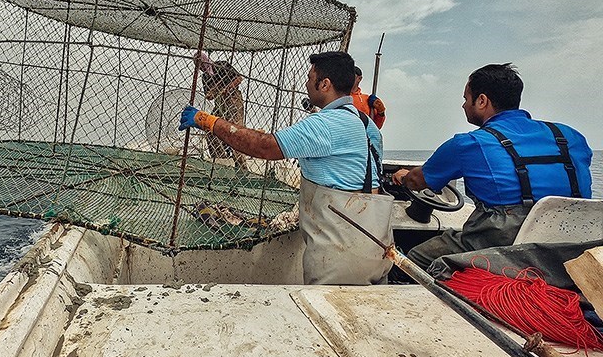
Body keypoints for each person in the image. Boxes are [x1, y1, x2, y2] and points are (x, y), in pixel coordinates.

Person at [179, 50, 394, 285]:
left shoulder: (324, 125)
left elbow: (264, 147)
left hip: (342, 254)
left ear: (324, 84)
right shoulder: (368, 126)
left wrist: (208, 121)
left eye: (310, 77)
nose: (306, 83)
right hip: (378, 246)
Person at [392, 63, 593, 272]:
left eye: (465, 99)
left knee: (414, 258)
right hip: (569, 251)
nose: (463, 105)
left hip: (503, 248)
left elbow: (418, 181)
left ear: (481, 100)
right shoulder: (570, 136)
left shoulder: (469, 144)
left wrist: (403, 177)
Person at [193, 52, 247, 169]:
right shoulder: (205, 77)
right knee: (210, 128)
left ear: (206, 60)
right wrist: (213, 92)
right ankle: (221, 160)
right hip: (219, 103)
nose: (201, 67)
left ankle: (241, 165)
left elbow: (239, 78)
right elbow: (208, 95)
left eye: (202, 64)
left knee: (235, 131)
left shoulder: (221, 65)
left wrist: (227, 88)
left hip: (233, 100)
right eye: (199, 66)